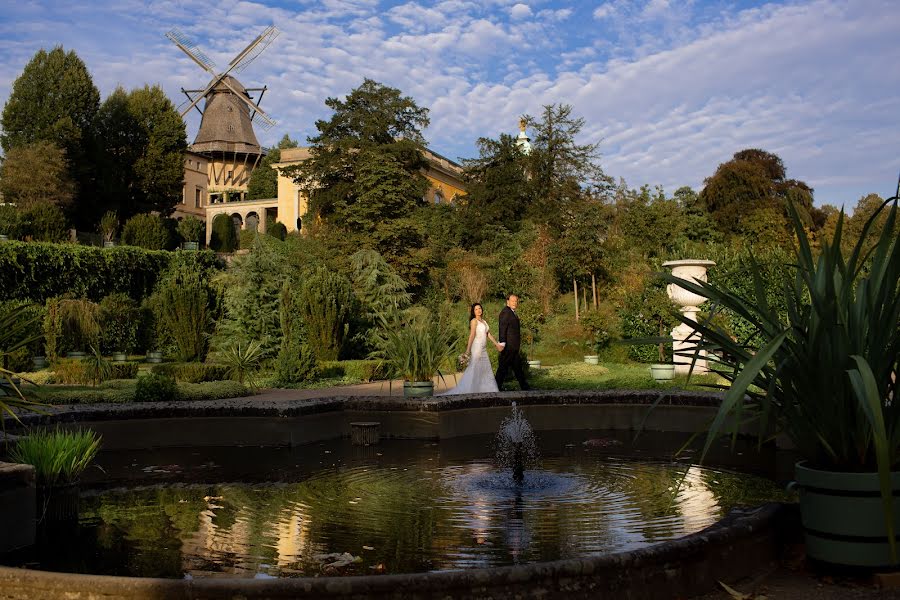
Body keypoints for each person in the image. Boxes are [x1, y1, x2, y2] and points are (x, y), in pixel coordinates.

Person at [439, 303, 501, 395]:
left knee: (485, 368)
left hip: (483, 349)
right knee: (475, 367)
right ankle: (471, 389)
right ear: (473, 311)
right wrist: (467, 350)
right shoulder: (474, 321)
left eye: (479, 308)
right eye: (476, 309)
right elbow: (472, 335)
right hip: (477, 348)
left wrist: (496, 344)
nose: (478, 310)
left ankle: (487, 390)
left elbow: (488, 334)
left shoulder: (484, 321)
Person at [495, 294, 530, 391]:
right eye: (513, 301)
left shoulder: (512, 312)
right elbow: (502, 328)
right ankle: (495, 387)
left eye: (516, 301)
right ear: (508, 302)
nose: (515, 303)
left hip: (513, 347)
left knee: (518, 367)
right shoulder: (506, 312)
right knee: (503, 368)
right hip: (508, 347)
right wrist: (502, 343)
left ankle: (524, 386)